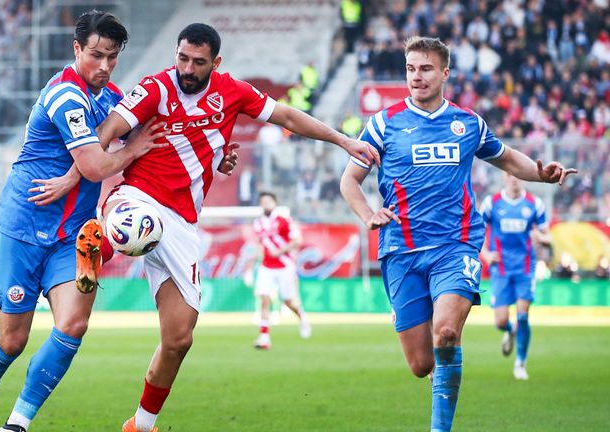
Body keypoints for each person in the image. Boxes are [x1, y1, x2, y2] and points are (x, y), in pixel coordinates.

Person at [32, 22, 378, 432]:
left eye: (198, 62)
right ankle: (99, 247)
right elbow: (106, 134)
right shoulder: (155, 88)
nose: (187, 68)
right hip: (139, 197)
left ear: (216, 62)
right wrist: (75, 176)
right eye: (182, 58)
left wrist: (344, 141)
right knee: (137, 222)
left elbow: (286, 115)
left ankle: (141, 425)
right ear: (174, 54)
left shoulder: (233, 92)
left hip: (182, 221)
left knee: (179, 339)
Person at [339, 36, 576, 432]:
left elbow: (506, 157)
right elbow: (350, 180)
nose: (417, 76)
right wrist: (367, 214)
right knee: (421, 365)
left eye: (426, 68)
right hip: (400, 249)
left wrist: (541, 174)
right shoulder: (383, 124)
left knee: (446, 332)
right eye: (411, 68)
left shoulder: (467, 123)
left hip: (456, 244)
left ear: (445, 72)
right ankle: (435, 367)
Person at [0, 11, 166, 432]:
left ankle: (17, 423)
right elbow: (97, 164)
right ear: (77, 49)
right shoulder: (65, 96)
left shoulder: (112, 97)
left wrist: (217, 153)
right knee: (12, 340)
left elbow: (154, 139)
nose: (105, 66)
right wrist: (125, 153)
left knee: (73, 324)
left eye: (112, 57)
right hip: (23, 224)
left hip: (74, 235)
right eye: (96, 55)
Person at [479, 173, 550, 380]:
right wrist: (485, 254)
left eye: (518, 175)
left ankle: (520, 363)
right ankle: (509, 331)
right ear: (504, 177)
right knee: (501, 321)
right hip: (500, 268)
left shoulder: (534, 204)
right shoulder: (492, 203)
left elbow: (548, 235)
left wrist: (541, 237)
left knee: (523, 315)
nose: (514, 179)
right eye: (510, 175)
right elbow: (477, 231)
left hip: (525, 268)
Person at [251, 191, 310, 349]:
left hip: (284, 265)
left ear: (275, 203)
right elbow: (258, 245)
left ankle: (302, 317)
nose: (266, 204)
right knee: (264, 298)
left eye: (268, 201)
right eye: (263, 201)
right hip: (266, 266)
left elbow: (298, 240)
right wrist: (251, 266)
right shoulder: (258, 223)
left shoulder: (284, 219)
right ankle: (264, 337)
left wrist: (280, 251)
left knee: (288, 301)